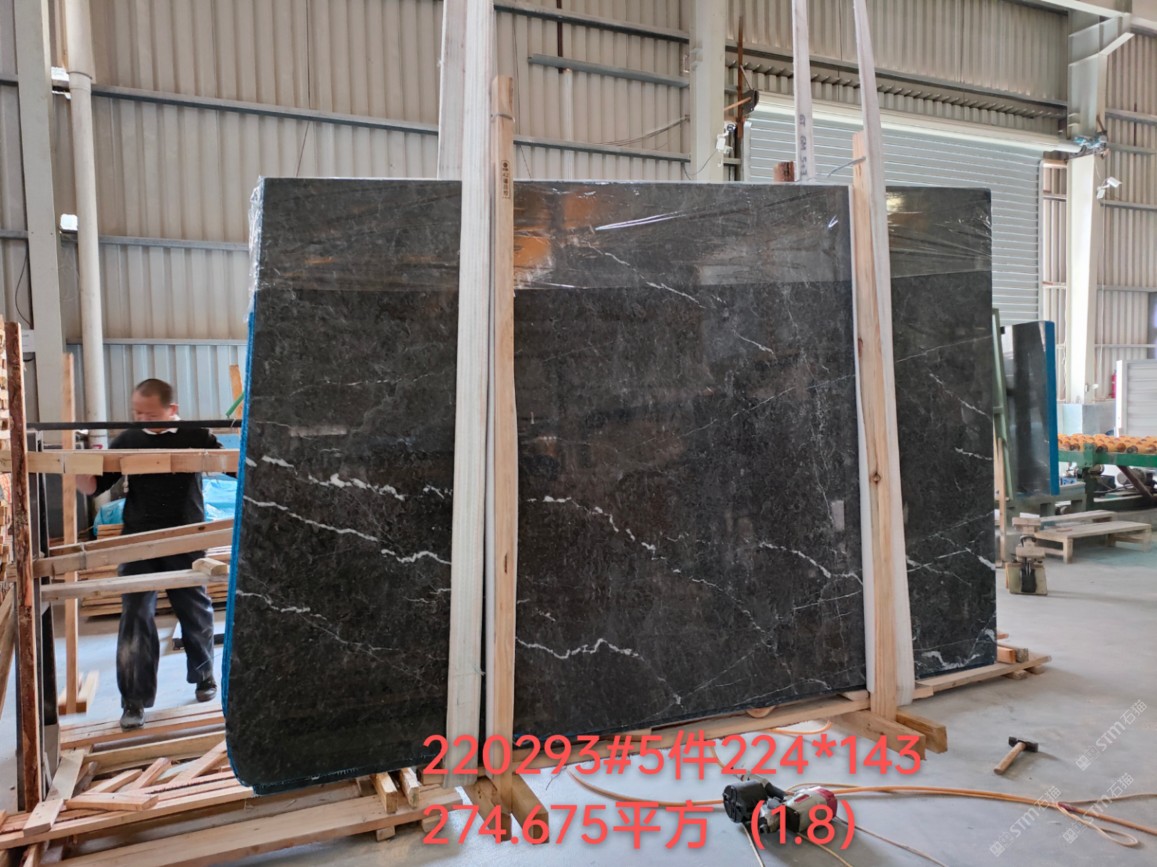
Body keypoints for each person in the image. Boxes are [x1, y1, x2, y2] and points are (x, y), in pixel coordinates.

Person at [77, 378, 225, 730]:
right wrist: (76, 465)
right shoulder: (128, 440)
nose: (143, 419)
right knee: (135, 614)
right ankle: (134, 699)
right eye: (137, 413)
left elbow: (234, 465)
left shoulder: (196, 435)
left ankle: (204, 674)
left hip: (186, 536)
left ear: (172, 409)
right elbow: (94, 486)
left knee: (194, 608)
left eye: (150, 414)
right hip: (139, 538)